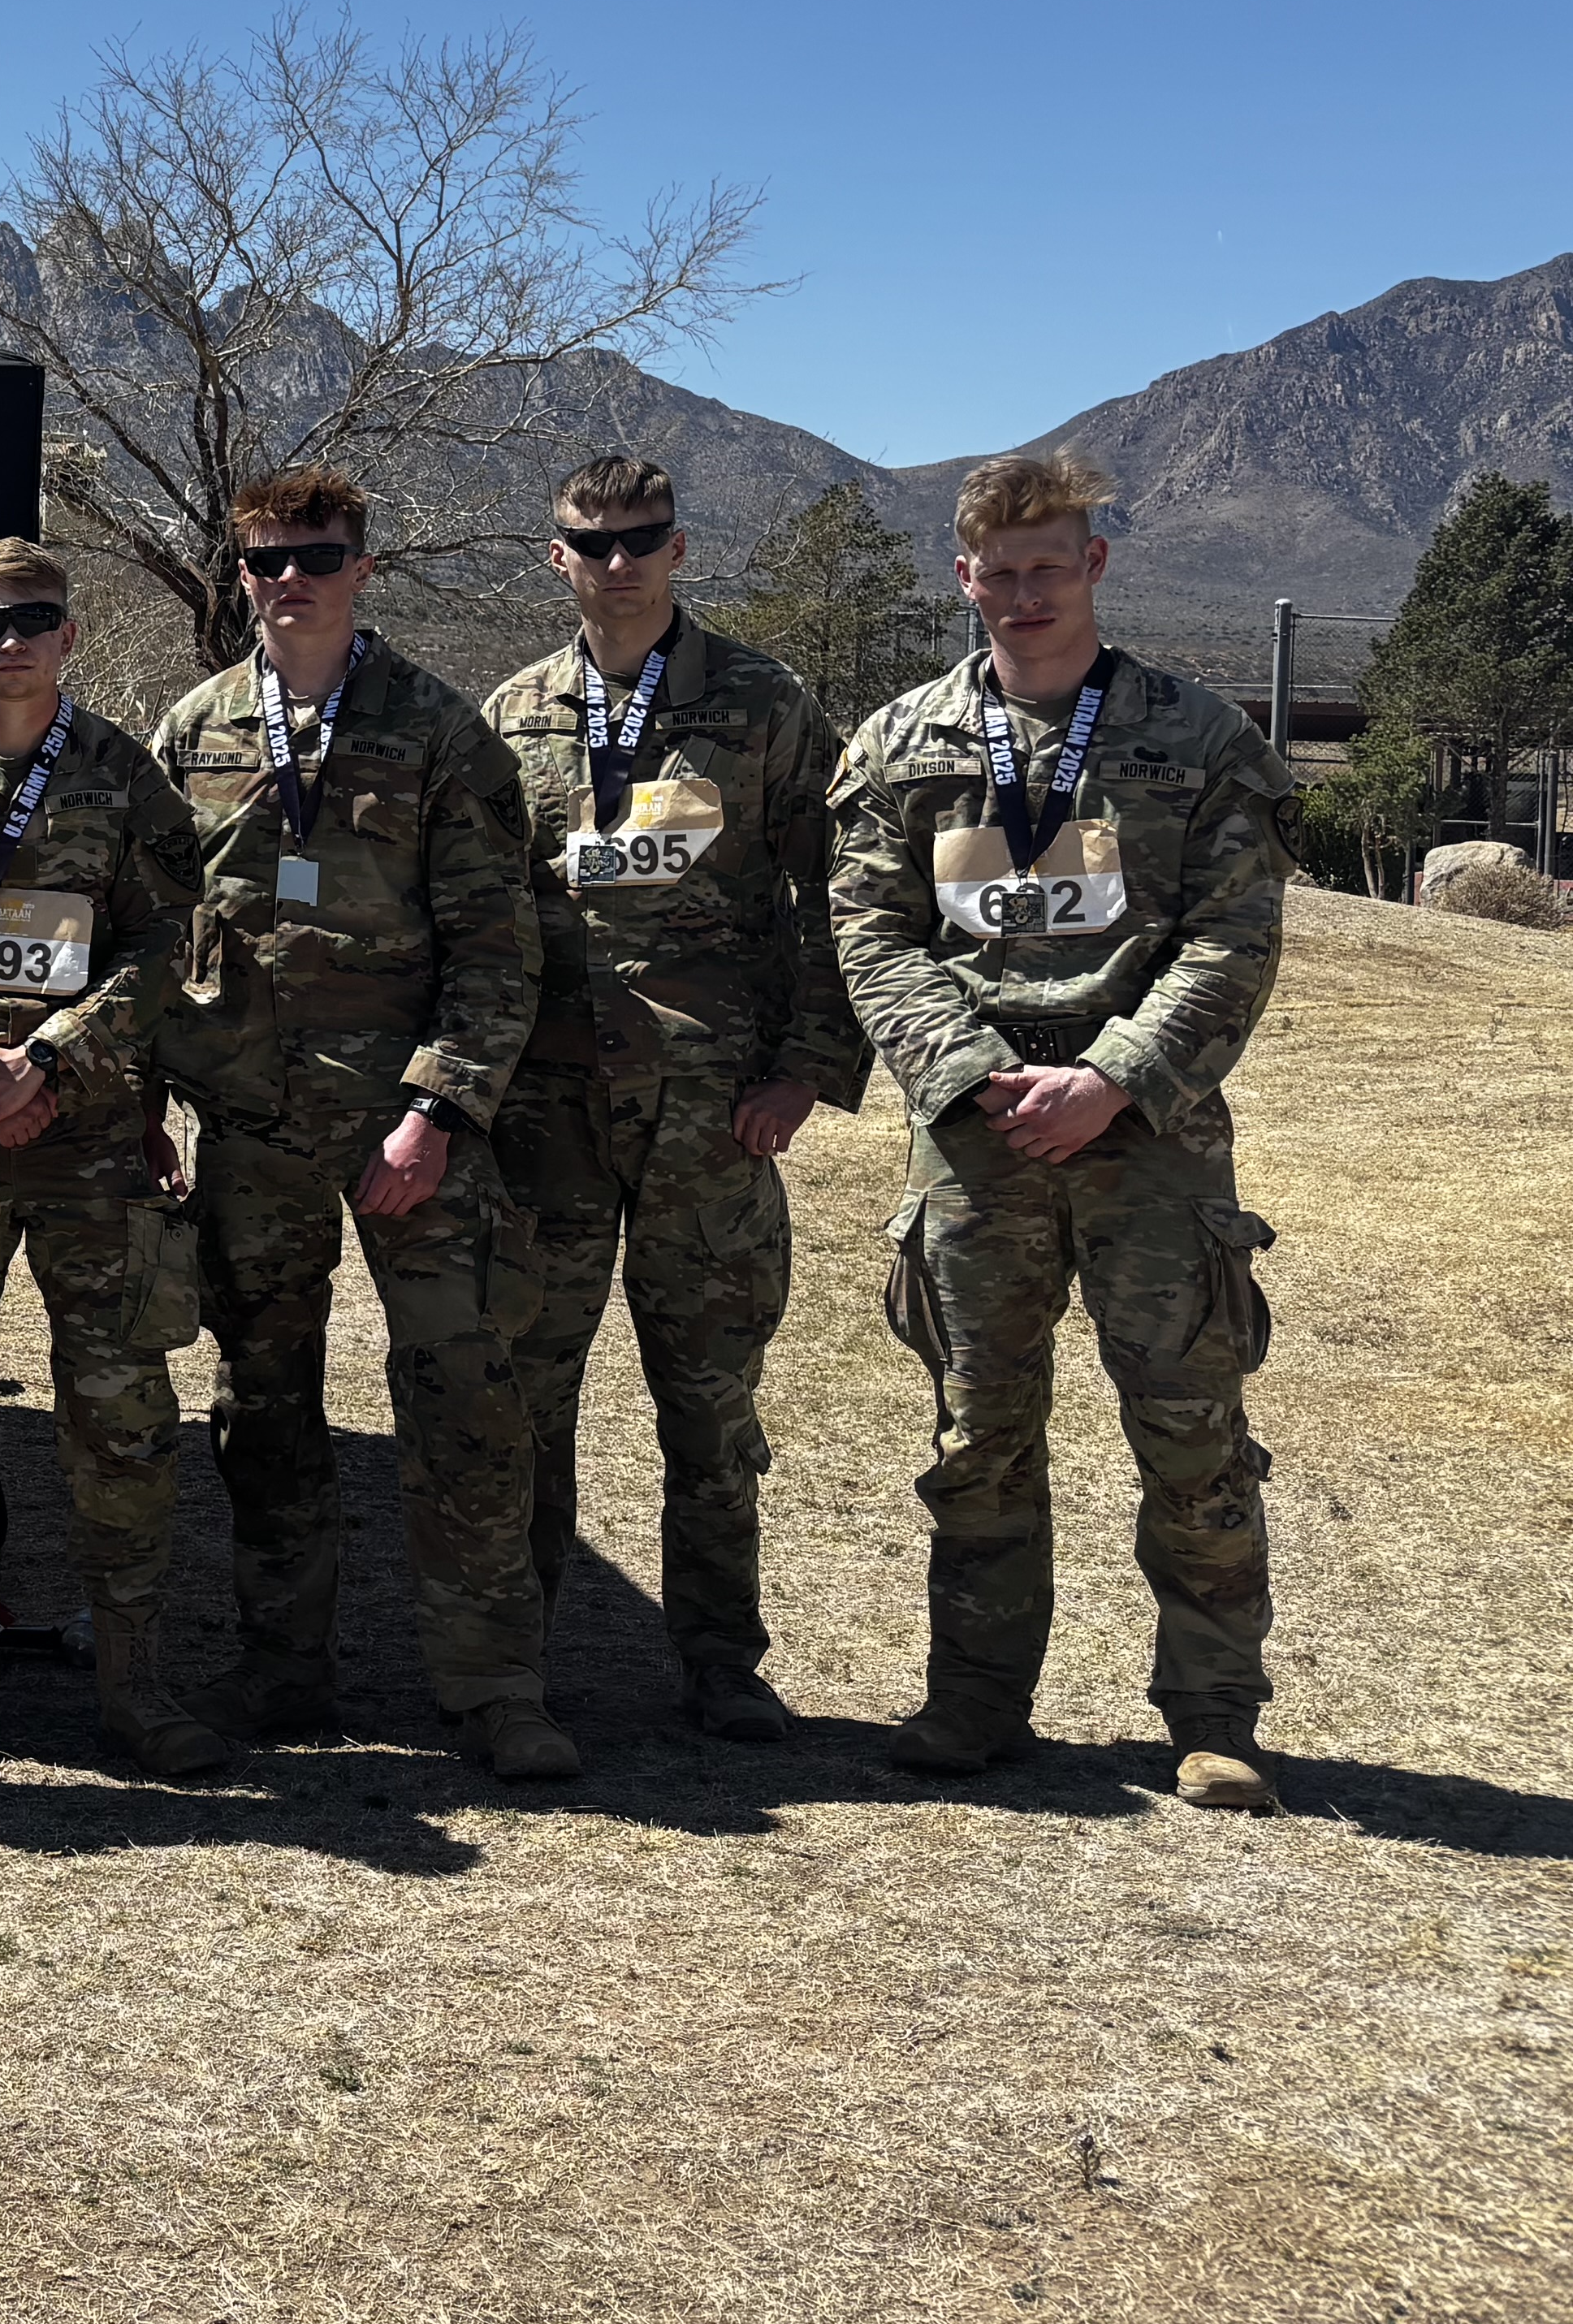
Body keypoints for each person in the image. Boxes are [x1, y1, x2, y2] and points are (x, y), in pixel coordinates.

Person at [830, 451, 1297, 1810]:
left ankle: (1213, 1715)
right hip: (974, 1144)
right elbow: (869, 927)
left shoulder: (1201, 739)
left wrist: (1113, 1076)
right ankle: (976, 1701)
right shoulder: (902, 745)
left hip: (1150, 1144)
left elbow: (1232, 942)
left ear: (1093, 565)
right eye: (999, 570)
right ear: (963, 574)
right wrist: (970, 1070)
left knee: (1192, 1430)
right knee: (978, 1433)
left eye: (1051, 566)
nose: (1024, 594)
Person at [153, 467, 566, 1782]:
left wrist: (438, 1111)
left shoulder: (439, 731)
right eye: (267, 560)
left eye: (317, 556)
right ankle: (282, 1670)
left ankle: (494, 1686)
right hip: (251, 1126)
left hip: (405, 1132)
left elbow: (500, 946)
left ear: (362, 567)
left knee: (462, 1398)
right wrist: (155, 1096)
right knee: (261, 1405)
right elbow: (155, 934)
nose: (292, 580)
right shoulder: (200, 729)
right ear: (240, 575)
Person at [480, 456, 866, 1742]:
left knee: (709, 1403)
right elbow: (480, 917)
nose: (619, 563)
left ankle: (720, 1661)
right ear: (558, 559)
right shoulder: (515, 717)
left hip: (715, 1113)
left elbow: (840, 888)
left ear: (680, 548)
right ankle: (515, 1663)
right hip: (552, 1111)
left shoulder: (762, 703)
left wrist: (808, 1065)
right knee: (530, 1394)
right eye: (593, 543)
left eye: (642, 539)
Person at [0, 534, 222, 1774]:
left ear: (68, 633)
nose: (11, 642)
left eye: (35, 620)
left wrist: (51, 1063)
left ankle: (136, 1690)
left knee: (119, 1417)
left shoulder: (127, 776)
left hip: (94, 1148)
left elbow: (170, 945)